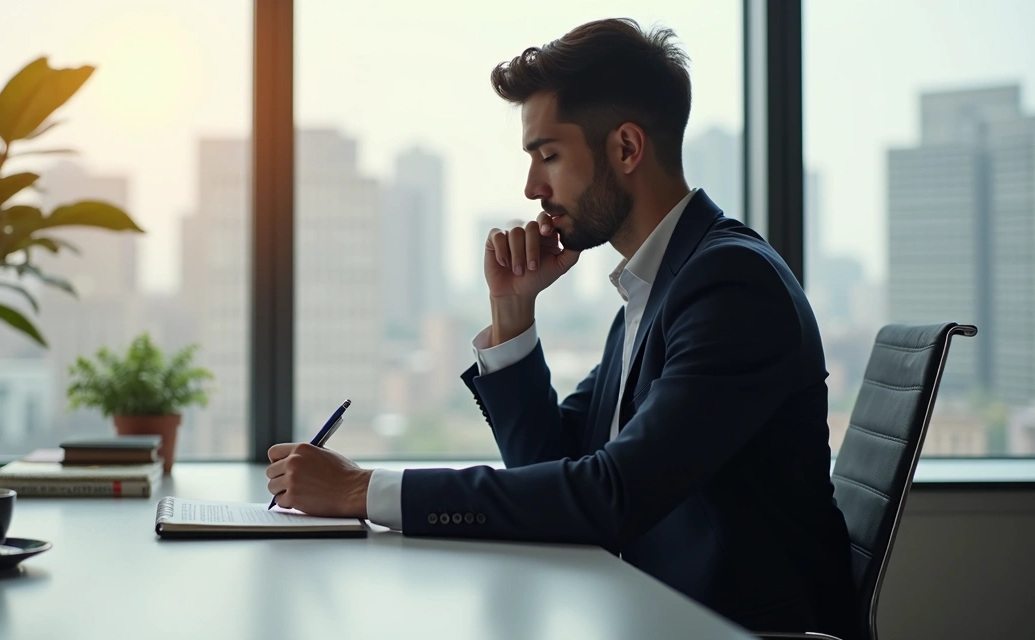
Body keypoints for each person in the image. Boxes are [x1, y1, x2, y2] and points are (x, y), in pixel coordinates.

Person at [265, 17, 857, 638]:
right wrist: (513, 312)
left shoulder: (729, 286)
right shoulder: (658, 287)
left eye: (548, 155)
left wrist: (363, 490)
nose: (532, 187)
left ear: (626, 148)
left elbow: (609, 497)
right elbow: (553, 466)